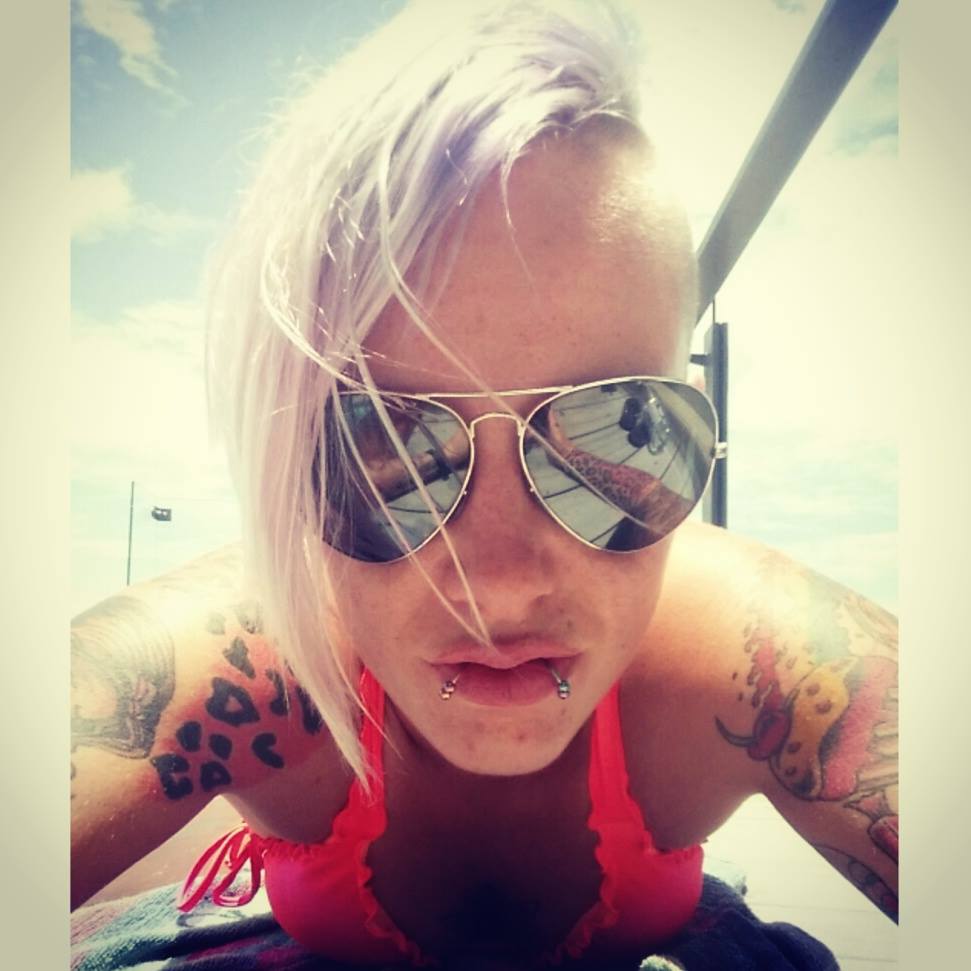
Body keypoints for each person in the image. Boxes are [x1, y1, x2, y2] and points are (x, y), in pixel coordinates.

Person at [70, 1, 898, 967]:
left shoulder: (757, 657)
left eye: (618, 433)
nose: (498, 586)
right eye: (384, 450)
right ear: (283, 475)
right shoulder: (237, 662)